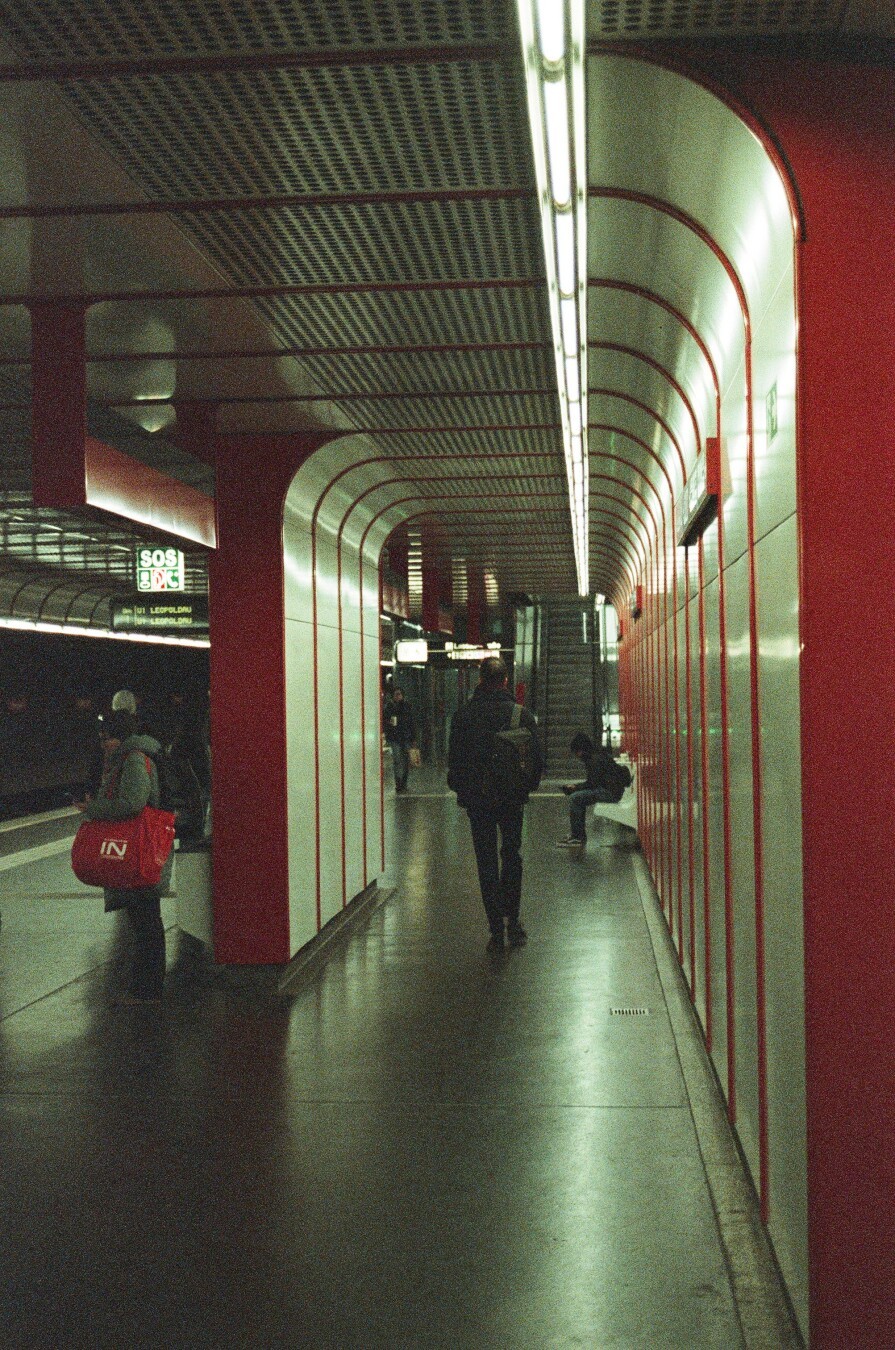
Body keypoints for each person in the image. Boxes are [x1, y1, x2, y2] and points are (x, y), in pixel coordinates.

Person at [447, 656, 542, 952]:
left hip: (478, 800)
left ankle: (495, 930)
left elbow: (454, 766)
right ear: (505, 681)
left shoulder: (463, 716)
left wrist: (466, 789)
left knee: (486, 861)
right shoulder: (520, 715)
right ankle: (513, 922)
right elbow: (537, 762)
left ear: (480, 679)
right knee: (512, 856)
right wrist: (525, 787)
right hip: (512, 798)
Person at [80, 709, 173, 1003]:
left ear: (117, 736)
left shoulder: (133, 759)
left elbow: (132, 803)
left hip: (139, 852)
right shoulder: (133, 756)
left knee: (146, 922)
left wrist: (93, 809)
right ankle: (146, 989)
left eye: (106, 737)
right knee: (145, 920)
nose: (103, 743)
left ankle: (146, 991)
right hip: (138, 852)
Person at [556, 731, 627, 848]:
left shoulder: (594, 759)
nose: (577, 756)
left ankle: (578, 837)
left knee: (576, 798)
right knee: (578, 797)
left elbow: (592, 784)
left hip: (610, 793)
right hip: (613, 790)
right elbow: (594, 783)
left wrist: (575, 788)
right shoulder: (596, 755)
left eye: (577, 752)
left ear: (581, 750)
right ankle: (578, 835)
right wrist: (576, 787)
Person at [383, 686, 417, 793]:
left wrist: (413, 738)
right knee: (397, 760)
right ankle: (398, 784)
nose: (398, 696)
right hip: (395, 738)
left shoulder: (407, 706)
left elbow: (411, 722)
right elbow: (385, 720)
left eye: (399, 694)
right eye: (396, 694)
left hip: (405, 737)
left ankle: (404, 782)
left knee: (406, 760)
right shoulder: (389, 707)